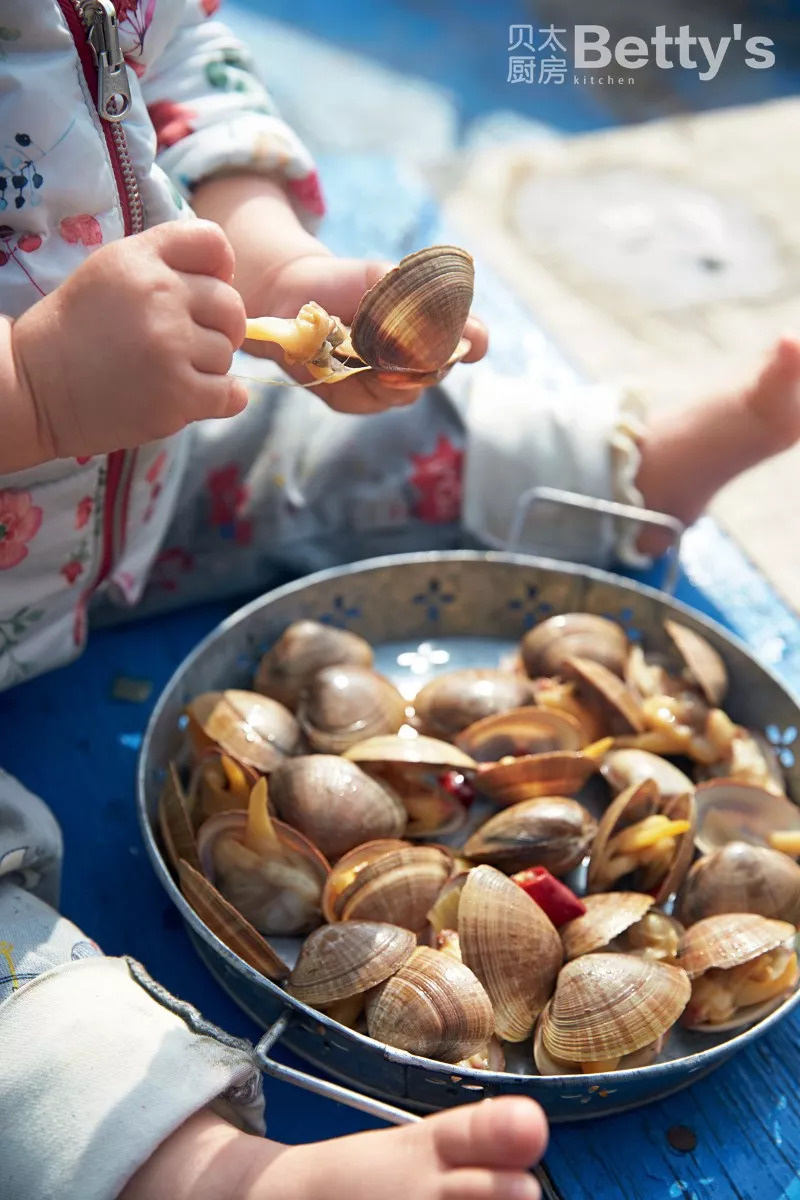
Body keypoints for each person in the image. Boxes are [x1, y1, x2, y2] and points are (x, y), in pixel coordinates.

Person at [1, 2, 798, 1196]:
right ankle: (211, 1171)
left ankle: (619, 478)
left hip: (139, 467)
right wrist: (34, 387)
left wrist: (278, 272)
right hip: (61, 424)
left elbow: (183, 81)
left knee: (372, 445)